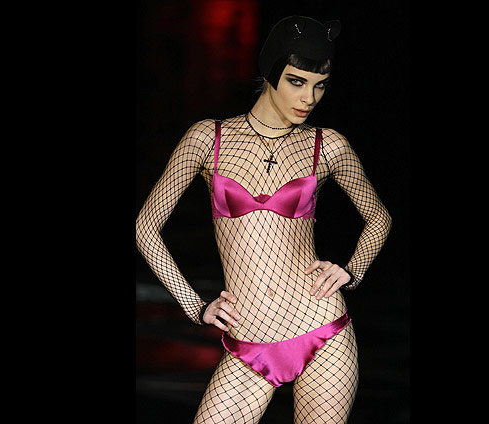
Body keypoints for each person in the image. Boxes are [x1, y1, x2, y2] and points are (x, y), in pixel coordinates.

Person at [136, 15, 392, 424]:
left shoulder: (327, 145)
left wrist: (352, 270)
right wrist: (194, 305)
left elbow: (379, 217)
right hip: (247, 342)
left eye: (320, 85)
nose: (309, 98)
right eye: (297, 81)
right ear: (270, 72)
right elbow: (145, 228)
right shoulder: (208, 138)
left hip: (322, 329)